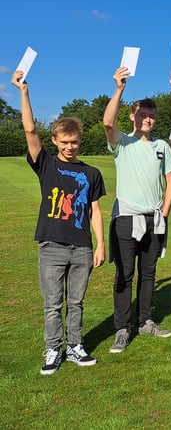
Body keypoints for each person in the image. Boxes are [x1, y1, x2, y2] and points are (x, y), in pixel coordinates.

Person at [13, 71, 106, 375]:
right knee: (53, 304)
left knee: (76, 302)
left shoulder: (91, 173)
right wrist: (24, 92)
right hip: (51, 244)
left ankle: (75, 346)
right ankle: (53, 349)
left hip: (81, 247)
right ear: (54, 141)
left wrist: (100, 244)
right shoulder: (46, 164)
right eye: (65, 142)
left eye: (75, 142)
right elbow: (29, 131)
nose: (70, 147)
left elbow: (94, 209)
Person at [104, 67, 171, 353]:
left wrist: (165, 212)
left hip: (154, 219)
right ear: (132, 116)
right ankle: (122, 329)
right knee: (124, 274)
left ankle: (145, 321)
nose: (147, 119)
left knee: (149, 273)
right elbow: (107, 124)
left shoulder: (161, 146)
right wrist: (119, 89)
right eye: (142, 114)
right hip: (126, 218)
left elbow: (170, 181)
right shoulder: (122, 142)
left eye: (151, 116)